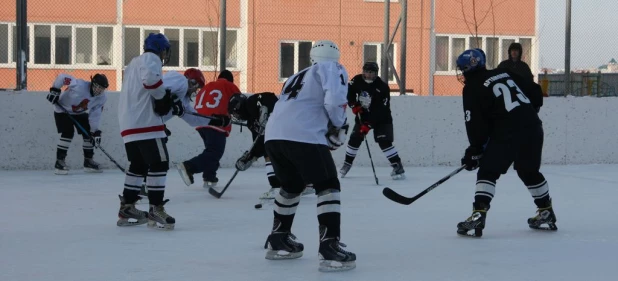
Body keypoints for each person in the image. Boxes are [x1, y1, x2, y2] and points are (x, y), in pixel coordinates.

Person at [263, 40, 356, 272]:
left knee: (292, 185)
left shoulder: (298, 75)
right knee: (328, 184)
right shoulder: (333, 68)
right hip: (303, 135)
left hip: (274, 136)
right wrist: (339, 124)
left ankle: (278, 240)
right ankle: (329, 247)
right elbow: (334, 100)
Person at [454, 49, 557, 238]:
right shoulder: (504, 73)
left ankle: (479, 214)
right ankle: (546, 212)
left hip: (508, 132)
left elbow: (475, 122)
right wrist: (526, 114)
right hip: (533, 127)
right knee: (529, 171)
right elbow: (535, 91)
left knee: (487, 171)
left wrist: (475, 150)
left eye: (463, 69)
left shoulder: (472, 87)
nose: (461, 73)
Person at [117, 33, 179, 230]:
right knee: (159, 163)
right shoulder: (151, 58)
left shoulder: (133, 63)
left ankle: (127, 208)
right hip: (146, 123)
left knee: (138, 165)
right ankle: (155, 208)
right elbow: (151, 81)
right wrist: (162, 98)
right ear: (160, 49)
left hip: (129, 123)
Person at [137, 68, 210, 198]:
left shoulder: (184, 100)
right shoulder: (180, 80)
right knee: (159, 159)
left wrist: (213, 120)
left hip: (151, 122)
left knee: (154, 155)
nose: (195, 90)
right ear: (191, 81)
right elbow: (158, 90)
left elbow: (193, 119)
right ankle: (142, 185)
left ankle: (140, 184)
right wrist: (171, 101)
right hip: (146, 119)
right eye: (196, 86)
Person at [227, 92, 314, 201]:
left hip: (287, 123)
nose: (237, 117)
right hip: (281, 134)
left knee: (275, 149)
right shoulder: (251, 124)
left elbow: (270, 97)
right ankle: (299, 184)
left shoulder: (251, 101)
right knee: (268, 149)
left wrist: (265, 110)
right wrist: (250, 157)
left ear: (239, 106)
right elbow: (259, 143)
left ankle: (282, 186)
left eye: (236, 113)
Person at [339, 62, 405, 180]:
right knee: (355, 139)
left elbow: (380, 111)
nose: (369, 75)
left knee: (384, 142)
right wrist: (353, 105)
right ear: (363, 71)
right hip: (362, 115)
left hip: (382, 118)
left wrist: (368, 125)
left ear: (376, 73)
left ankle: (397, 165)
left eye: (372, 72)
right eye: (367, 72)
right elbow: (350, 92)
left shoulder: (382, 87)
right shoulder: (357, 80)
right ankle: (347, 164)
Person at [176, 70, 236, 189]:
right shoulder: (229, 85)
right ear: (230, 80)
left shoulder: (207, 86)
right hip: (215, 121)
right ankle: (189, 167)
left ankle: (209, 176)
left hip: (200, 121)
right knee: (215, 152)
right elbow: (240, 100)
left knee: (210, 151)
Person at [46, 73, 109, 175]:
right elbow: (62, 77)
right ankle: (59, 162)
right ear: (92, 83)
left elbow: (95, 115)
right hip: (62, 110)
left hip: (78, 112)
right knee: (68, 133)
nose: (98, 90)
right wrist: (55, 90)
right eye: (97, 87)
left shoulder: (101, 98)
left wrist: (95, 131)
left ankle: (88, 161)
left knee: (89, 133)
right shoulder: (79, 85)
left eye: (101, 88)